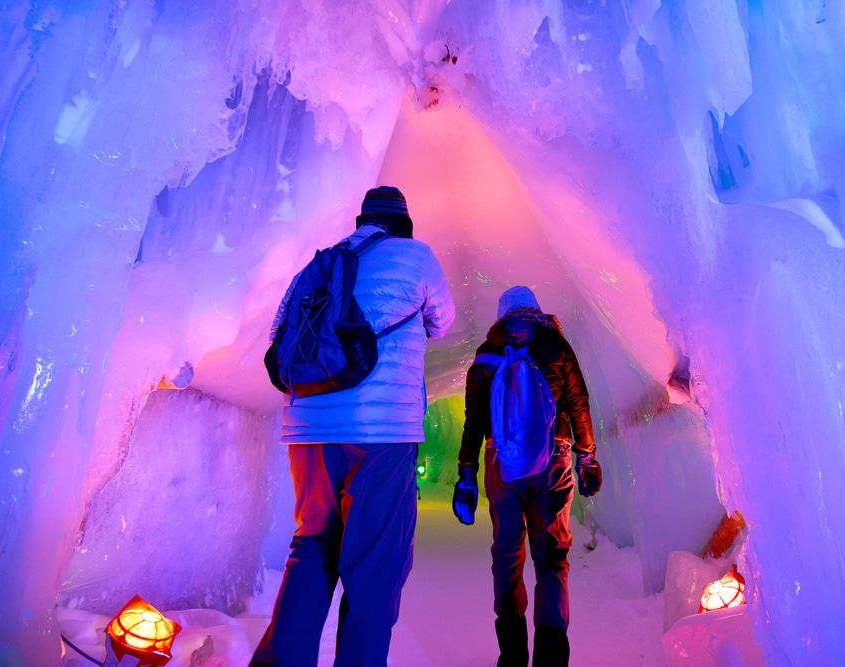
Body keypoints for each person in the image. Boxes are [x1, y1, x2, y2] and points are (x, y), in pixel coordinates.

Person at [253, 186, 455, 666]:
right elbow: (443, 322)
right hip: (382, 434)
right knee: (374, 566)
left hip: (309, 429)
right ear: (403, 223)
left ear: (362, 219)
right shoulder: (417, 256)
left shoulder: (324, 262)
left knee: (312, 544)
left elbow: (279, 331)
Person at [453, 286, 603, 667]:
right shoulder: (556, 347)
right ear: (537, 310)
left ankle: (513, 656)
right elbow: (578, 404)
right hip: (553, 460)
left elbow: (475, 420)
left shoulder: (488, 353)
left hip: (501, 463)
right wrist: (587, 458)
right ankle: (551, 657)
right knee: (552, 559)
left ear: (503, 316)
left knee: (506, 555)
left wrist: (466, 473)